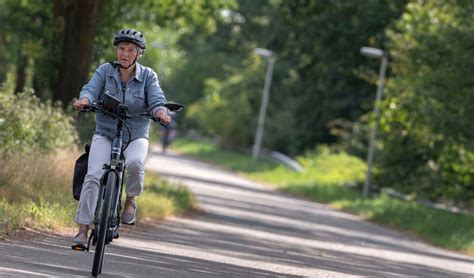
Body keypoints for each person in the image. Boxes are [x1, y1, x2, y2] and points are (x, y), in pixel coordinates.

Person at [71, 28, 171, 250]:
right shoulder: (105, 71)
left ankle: (131, 201)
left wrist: (161, 112)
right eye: (121, 49)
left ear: (138, 54)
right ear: (116, 50)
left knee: (135, 164)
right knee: (93, 175)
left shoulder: (148, 76)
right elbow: (90, 89)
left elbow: (157, 100)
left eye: (131, 50)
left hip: (135, 135)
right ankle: (82, 230)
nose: (125, 54)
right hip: (105, 133)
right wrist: (84, 100)